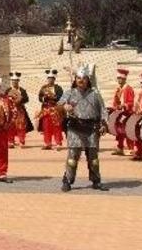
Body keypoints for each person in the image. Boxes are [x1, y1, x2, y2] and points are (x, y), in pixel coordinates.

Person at [59, 64, 109, 192]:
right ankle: (68, 180)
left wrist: (104, 124)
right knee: (72, 157)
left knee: (93, 158)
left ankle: (96, 180)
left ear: (88, 79)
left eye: (84, 78)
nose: (81, 81)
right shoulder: (69, 93)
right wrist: (64, 107)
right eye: (78, 78)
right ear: (75, 79)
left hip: (92, 128)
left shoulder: (95, 93)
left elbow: (103, 110)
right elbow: (58, 106)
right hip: (75, 128)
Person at [37, 69, 64, 150]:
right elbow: (39, 97)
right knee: (46, 126)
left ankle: (58, 143)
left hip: (55, 109)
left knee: (57, 126)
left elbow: (61, 98)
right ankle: (47, 143)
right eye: (49, 78)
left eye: (52, 78)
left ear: (54, 79)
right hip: (46, 109)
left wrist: (54, 97)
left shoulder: (58, 88)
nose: (50, 80)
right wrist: (44, 98)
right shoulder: (43, 87)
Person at [110, 68, 135, 156]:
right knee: (119, 131)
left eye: (121, 79)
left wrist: (123, 106)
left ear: (124, 79)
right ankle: (120, 147)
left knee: (127, 131)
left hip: (127, 113)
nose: (119, 80)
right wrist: (114, 107)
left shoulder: (128, 89)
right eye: (118, 78)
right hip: (120, 113)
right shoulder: (118, 89)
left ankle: (131, 148)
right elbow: (115, 100)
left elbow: (131, 102)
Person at [7, 72, 33, 148]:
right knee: (10, 126)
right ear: (11, 81)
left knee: (21, 126)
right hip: (10, 111)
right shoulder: (8, 90)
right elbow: (4, 99)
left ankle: (21, 141)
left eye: (16, 80)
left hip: (20, 111)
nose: (14, 82)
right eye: (13, 81)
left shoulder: (22, 90)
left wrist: (20, 99)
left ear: (18, 81)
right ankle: (11, 141)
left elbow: (26, 99)